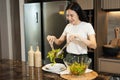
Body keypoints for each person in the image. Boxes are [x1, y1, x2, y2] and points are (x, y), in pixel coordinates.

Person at [47, 2, 97, 67]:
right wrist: (53, 38)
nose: (69, 18)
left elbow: (94, 45)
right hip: (69, 58)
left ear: (78, 14)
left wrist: (79, 37)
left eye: (72, 15)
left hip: (82, 59)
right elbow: (59, 42)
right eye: (67, 15)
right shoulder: (68, 26)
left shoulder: (87, 26)